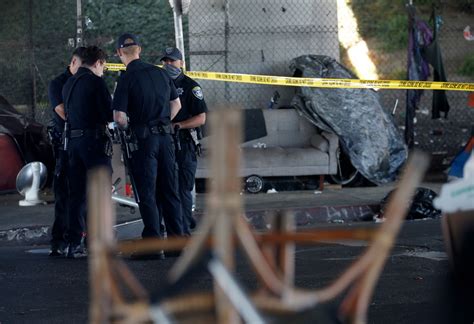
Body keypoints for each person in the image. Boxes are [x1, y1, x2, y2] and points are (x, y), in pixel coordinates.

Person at [113, 33, 184, 259]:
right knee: (170, 190)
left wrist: (129, 128)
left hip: (144, 140)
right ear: (140, 50)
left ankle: (153, 245)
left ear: (119, 53)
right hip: (166, 138)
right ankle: (177, 243)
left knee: (148, 192)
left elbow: (119, 116)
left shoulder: (126, 78)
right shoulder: (161, 73)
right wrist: (163, 123)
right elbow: (177, 104)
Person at [62, 46, 113, 258]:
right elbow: (108, 114)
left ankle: (73, 243)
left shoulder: (68, 84)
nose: (103, 71)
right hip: (93, 142)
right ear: (98, 62)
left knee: (77, 195)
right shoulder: (95, 82)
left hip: (73, 143)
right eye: (104, 66)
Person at [161, 47, 208, 235]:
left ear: (181, 63)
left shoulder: (190, 86)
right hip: (163, 142)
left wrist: (178, 125)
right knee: (166, 186)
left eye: (172, 61)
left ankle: (184, 228)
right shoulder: (160, 82)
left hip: (184, 141)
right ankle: (175, 226)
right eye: (166, 61)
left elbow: (201, 118)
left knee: (183, 187)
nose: (169, 65)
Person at [47, 46, 86, 257]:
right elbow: (61, 111)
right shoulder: (58, 83)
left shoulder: (85, 81)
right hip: (64, 144)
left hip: (82, 143)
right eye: (80, 67)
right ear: (72, 63)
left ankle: (80, 237)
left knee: (83, 195)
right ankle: (59, 240)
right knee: (64, 194)